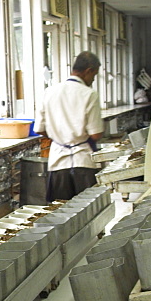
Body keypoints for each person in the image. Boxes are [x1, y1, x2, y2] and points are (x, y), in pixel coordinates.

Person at [34, 51, 105, 202]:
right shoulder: (89, 94)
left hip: (58, 161)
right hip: (83, 161)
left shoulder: (49, 92)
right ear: (88, 71)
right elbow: (96, 134)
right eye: (94, 75)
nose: (93, 80)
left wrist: (59, 135)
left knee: (60, 211)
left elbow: (39, 128)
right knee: (87, 210)